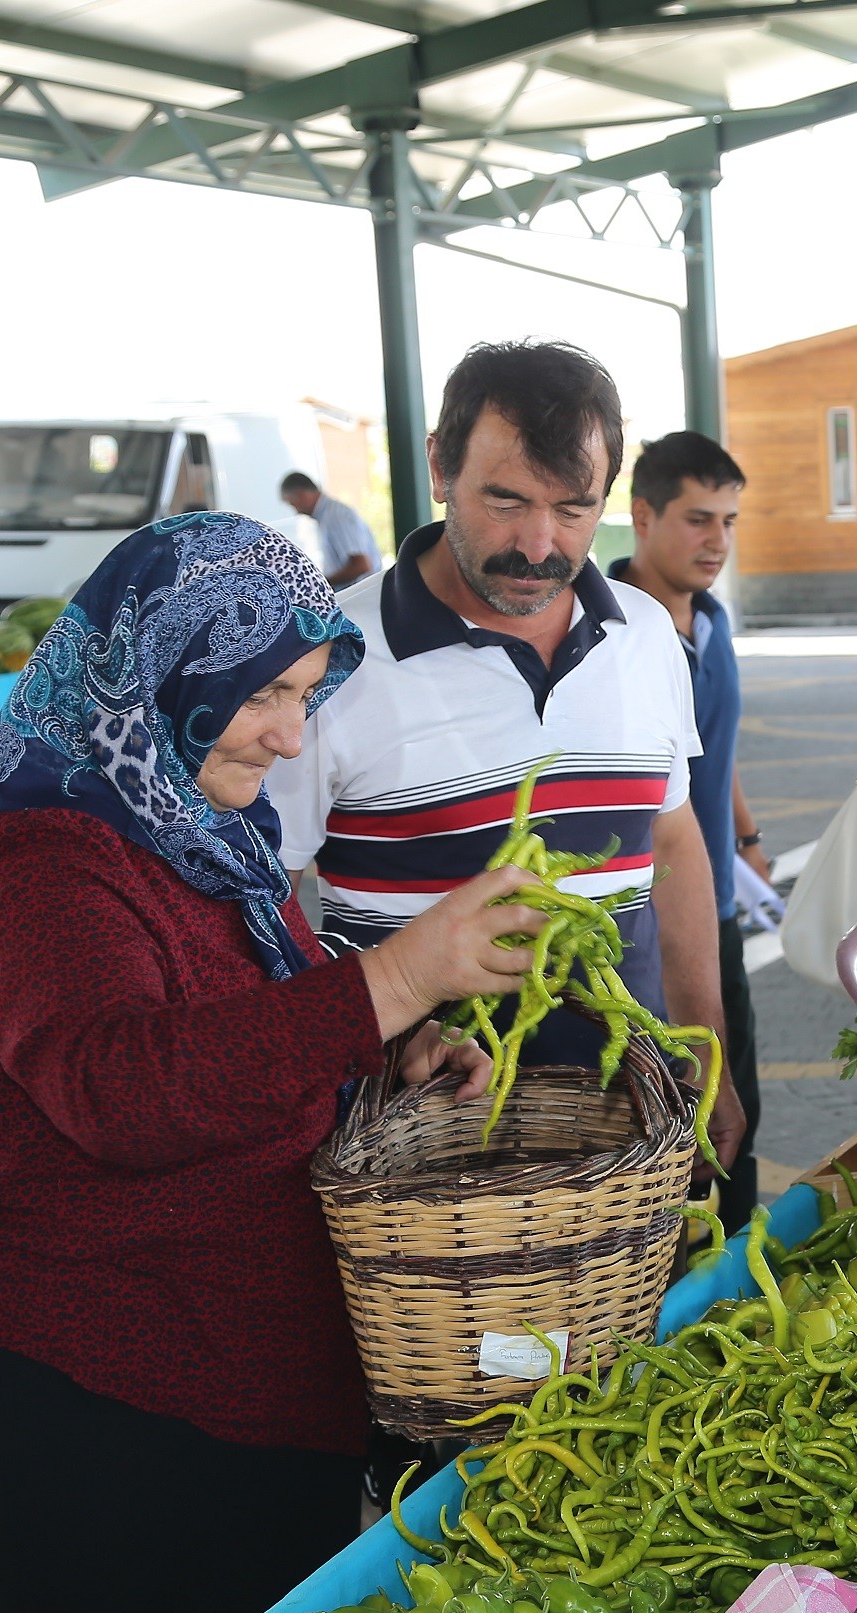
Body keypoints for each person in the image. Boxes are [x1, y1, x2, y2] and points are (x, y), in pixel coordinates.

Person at [0, 512, 544, 1613]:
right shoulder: (39, 862)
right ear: (164, 672)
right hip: (66, 1407)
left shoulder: (197, 831)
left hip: (214, 1386)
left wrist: (387, 1062)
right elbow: (119, 1088)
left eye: (304, 695)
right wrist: (395, 980)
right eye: (265, 696)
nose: (292, 737)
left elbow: (238, 1043)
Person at [267, 340, 741, 1165]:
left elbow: (671, 842)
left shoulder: (646, 639)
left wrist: (706, 1052)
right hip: (418, 1148)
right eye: (505, 500)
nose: (537, 544)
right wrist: (373, 1040)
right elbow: (260, 902)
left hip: (629, 1127)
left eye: (572, 509)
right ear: (440, 468)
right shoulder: (328, 661)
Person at [607, 430, 765, 1233]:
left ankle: (743, 1276)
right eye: (699, 519)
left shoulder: (713, 620)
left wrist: (745, 835)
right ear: (641, 515)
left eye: (730, 521)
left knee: (740, 1106)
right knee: (671, 1123)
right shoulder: (609, 637)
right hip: (645, 922)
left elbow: (707, 749)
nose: (719, 542)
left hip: (720, 905)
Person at [281, 470, 381, 588]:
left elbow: (362, 566)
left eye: (293, 504)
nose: (297, 512)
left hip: (360, 598)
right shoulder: (328, 516)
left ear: (302, 495)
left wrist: (320, 584)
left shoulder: (336, 516)